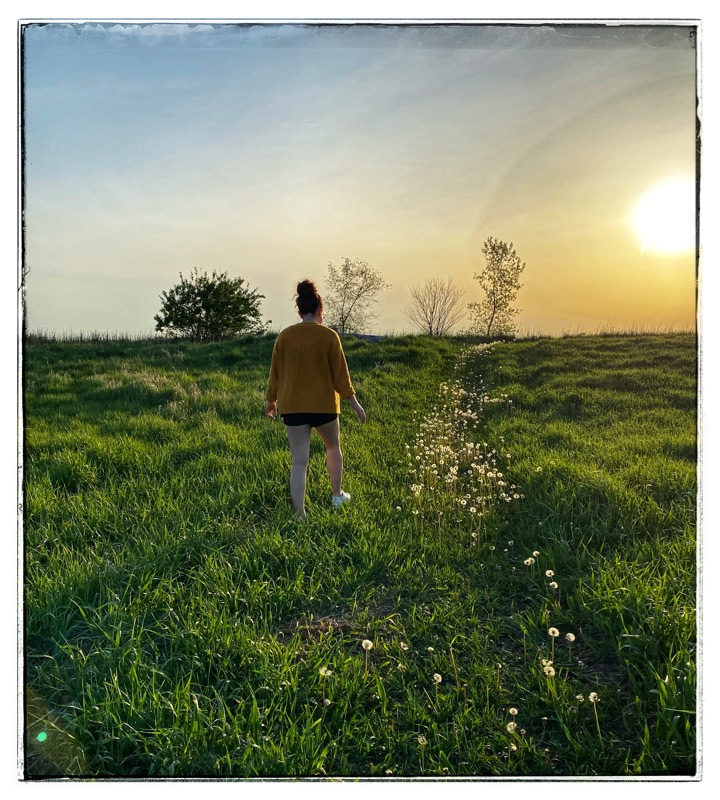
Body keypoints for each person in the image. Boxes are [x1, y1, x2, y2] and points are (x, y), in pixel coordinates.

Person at [265, 279, 366, 519]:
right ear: (320, 310)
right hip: (324, 406)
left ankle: (300, 515)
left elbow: (275, 373)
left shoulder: (285, 337)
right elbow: (341, 376)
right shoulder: (329, 337)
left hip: (293, 408)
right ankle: (337, 496)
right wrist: (355, 404)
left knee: (299, 462)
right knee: (333, 448)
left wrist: (271, 400)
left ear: (299, 312)